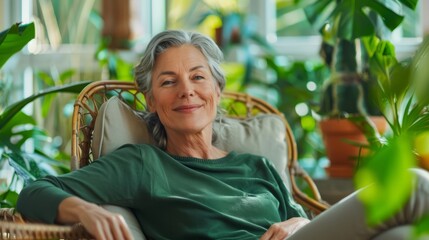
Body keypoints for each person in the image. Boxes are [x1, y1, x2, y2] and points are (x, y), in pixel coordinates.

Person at [16, 30, 429, 240]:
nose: (187, 91)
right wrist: (86, 210)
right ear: (151, 99)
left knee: (402, 235)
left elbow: (302, 222)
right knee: (413, 185)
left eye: (198, 77)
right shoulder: (143, 164)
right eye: (168, 81)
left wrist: (298, 222)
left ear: (216, 90)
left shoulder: (257, 166)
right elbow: (33, 191)